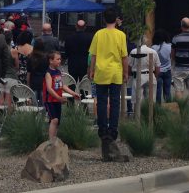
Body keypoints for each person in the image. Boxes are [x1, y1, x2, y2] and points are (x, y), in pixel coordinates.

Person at [88, 8, 128, 143]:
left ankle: (102, 129)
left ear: (104, 19)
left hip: (101, 71)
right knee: (115, 102)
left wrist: (91, 70)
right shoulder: (121, 35)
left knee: (102, 102)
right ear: (116, 20)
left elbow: (93, 55)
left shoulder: (98, 34)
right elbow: (124, 56)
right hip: (116, 72)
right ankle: (113, 130)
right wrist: (126, 72)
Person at [43, 51, 80, 140]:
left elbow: (62, 85)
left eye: (60, 59)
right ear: (51, 61)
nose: (60, 61)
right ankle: (51, 141)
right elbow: (49, 89)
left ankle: (54, 139)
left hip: (57, 100)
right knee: (54, 120)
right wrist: (59, 97)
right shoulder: (48, 73)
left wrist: (73, 93)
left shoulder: (58, 72)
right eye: (57, 59)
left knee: (57, 121)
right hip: (50, 100)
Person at [171, 17, 189, 104]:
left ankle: (180, 112)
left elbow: (172, 54)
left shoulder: (176, 38)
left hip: (179, 68)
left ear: (181, 25)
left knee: (179, 90)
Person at [151, 29, 172, 103]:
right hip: (168, 70)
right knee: (167, 90)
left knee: (158, 90)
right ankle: (169, 106)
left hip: (157, 71)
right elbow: (171, 57)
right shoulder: (169, 46)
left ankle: (158, 107)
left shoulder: (153, 48)